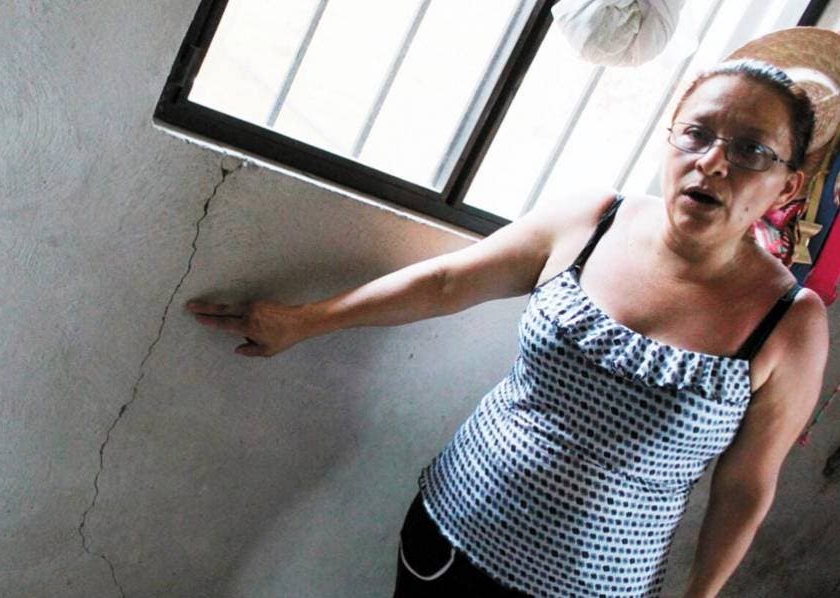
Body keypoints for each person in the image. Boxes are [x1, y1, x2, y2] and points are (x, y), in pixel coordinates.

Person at [186, 28, 837, 597]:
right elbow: (447, 282)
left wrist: (701, 595)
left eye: (751, 150)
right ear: (669, 140)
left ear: (787, 185)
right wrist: (305, 321)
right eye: (697, 134)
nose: (713, 162)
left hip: (596, 586)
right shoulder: (591, 221)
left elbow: (746, 485)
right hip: (451, 536)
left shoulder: (788, 322)